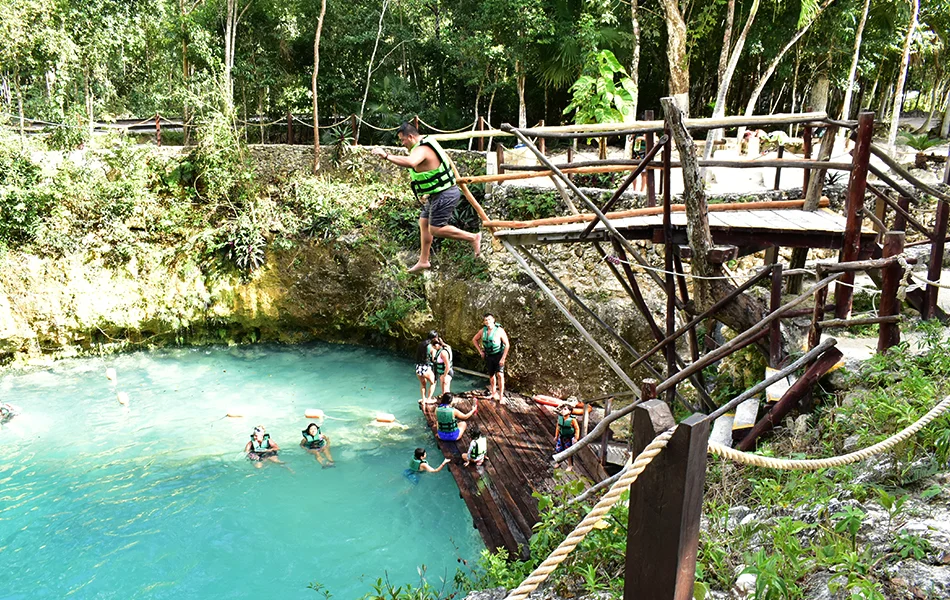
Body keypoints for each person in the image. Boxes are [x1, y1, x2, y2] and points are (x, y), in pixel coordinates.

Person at [370, 122, 481, 273]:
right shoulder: (421, 145)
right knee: (424, 222)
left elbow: (411, 163)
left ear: (410, 136)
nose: (402, 144)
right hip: (437, 194)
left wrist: (386, 156)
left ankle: (473, 237)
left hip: (446, 193)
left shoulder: (422, 149)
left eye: (403, 140)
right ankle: (424, 260)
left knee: (435, 229)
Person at [472, 313, 510, 402]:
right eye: (486, 320)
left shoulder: (499, 330)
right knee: (491, 375)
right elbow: (474, 339)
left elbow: (507, 344)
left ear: (493, 320)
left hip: (498, 355)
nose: (487, 322)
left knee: (500, 375)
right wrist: (480, 351)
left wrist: (503, 358)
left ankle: (501, 396)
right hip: (489, 355)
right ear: (484, 322)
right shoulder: (483, 331)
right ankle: (493, 393)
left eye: (489, 319)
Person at [554, 404, 580, 472]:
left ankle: (570, 465)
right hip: (561, 436)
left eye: (565, 409)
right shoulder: (560, 419)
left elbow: (577, 429)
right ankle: (558, 462)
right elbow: (558, 427)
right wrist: (556, 436)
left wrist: (576, 438)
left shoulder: (573, 420)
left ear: (569, 411)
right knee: (558, 449)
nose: (563, 411)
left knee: (569, 452)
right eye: (563, 409)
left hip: (569, 437)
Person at [415, 331, 438, 403]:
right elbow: (434, 359)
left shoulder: (420, 344)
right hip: (425, 367)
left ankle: (423, 399)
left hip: (418, 367)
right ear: (434, 338)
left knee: (423, 384)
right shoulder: (431, 347)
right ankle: (429, 399)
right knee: (433, 382)